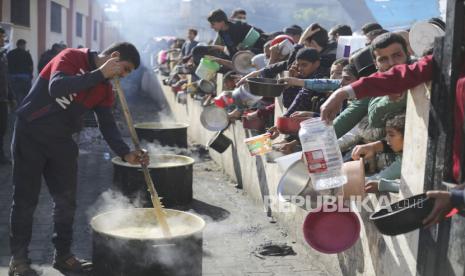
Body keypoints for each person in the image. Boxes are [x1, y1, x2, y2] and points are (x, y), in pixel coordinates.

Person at [9, 42, 149, 276]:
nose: (122, 77)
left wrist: (125, 152)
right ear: (114, 57)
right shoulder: (72, 57)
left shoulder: (104, 89)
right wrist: (100, 74)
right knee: (25, 201)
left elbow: (107, 124)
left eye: (126, 74)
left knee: (66, 202)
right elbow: (57, 87)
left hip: (62, 141)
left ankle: (63, 256)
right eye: (123, 69)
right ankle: (19, 260)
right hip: (30, 133)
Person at [319, 51, 465, 229]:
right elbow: (403, 76)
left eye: (397, 55)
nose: (391, 64)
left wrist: (458, 198)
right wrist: (341, 94)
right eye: (383, 58)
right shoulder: (453, 53)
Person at [355, 114, 405, 193]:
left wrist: (383, 185)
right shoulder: (402, 158)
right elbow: (383, 176)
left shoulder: (420, 159)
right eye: (387, 135)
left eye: (392, 135)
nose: (387, 140)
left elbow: (418, 189)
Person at [0, 27, 13, 165]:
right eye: (0, 37)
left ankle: (1, 155)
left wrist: (11, 96)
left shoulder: (3, 56)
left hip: (2, 99)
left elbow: (5, 78)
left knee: (2, 128)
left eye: (3, 37)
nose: (3, 40)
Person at [7, 39, 33, 104]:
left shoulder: (10, 53)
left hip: (13, 77)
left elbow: (7, 65)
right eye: (24, 45)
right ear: (22, 45)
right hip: (25, 77)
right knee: (26, 94)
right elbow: (31, 66)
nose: (25, 46)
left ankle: (19, 107)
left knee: (17, 94)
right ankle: (25, 109)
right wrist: (31, 74)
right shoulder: (26, 53)